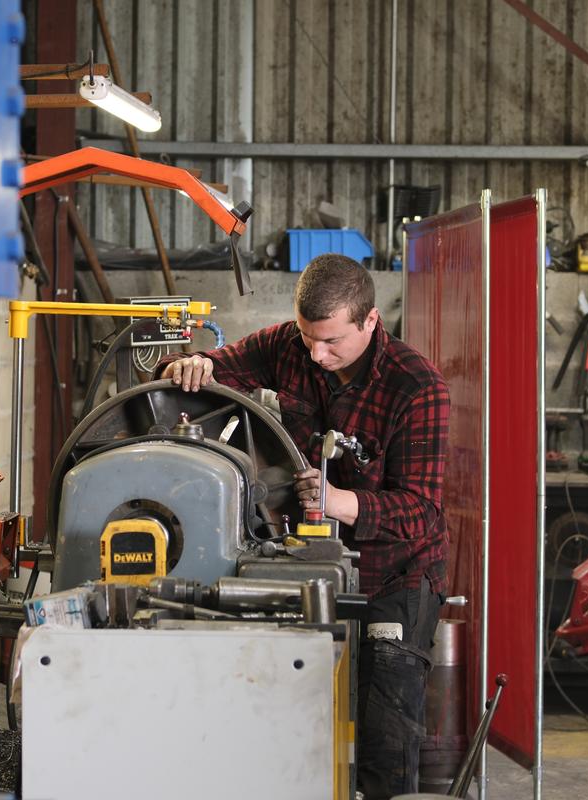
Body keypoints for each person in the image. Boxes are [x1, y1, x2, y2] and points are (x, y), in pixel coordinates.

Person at [158, 253, 450, 798]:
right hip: (306, 570)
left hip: (396, 577)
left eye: (332, 341)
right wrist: (192, 365)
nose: (316, 355)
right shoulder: (289, 346)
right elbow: (220, 368)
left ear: (369, 322)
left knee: (384, 744)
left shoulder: (417, 387)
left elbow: (423, 512)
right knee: (297, 729)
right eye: (307, 337)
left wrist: (342, 502)